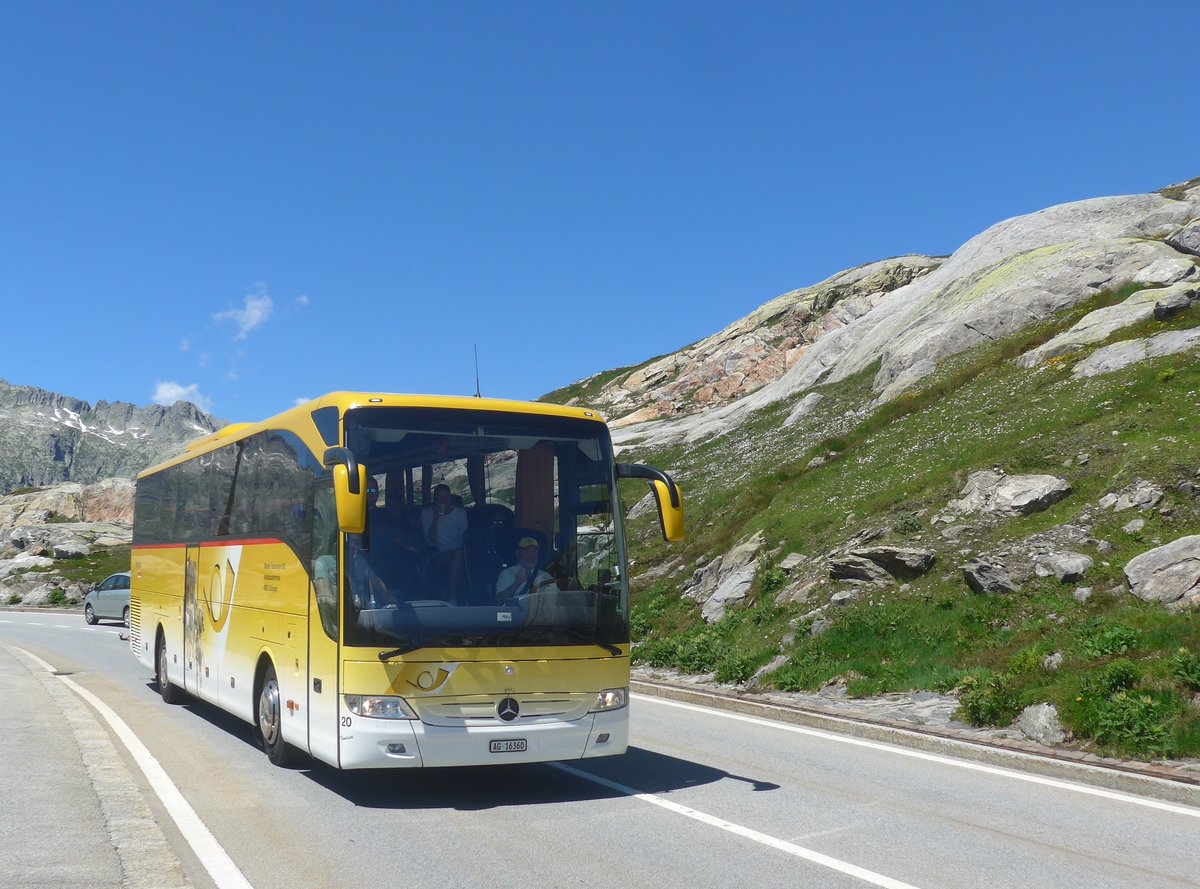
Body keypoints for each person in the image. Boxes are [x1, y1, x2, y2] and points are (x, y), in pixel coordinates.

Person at [421, 484, 468, 601]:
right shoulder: (426, 513)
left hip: (458, 551)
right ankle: (452, 597)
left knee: (459, 554)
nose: (442, 500)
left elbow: (464, 537)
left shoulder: (460, 513)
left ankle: (453, 596)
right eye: (439, 497)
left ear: (450, 498)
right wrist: (436, 518)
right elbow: (431, 541)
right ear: (434, 499)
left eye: (445, 497)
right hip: (437, 552)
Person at [495, 537, 559, 602]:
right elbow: (499, 602)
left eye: (534, 551)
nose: (530, 555)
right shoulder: (507, 574)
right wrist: (516, 583)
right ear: (518, 553)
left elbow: (557, 602)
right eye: (526, 551)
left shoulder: (546, 577)